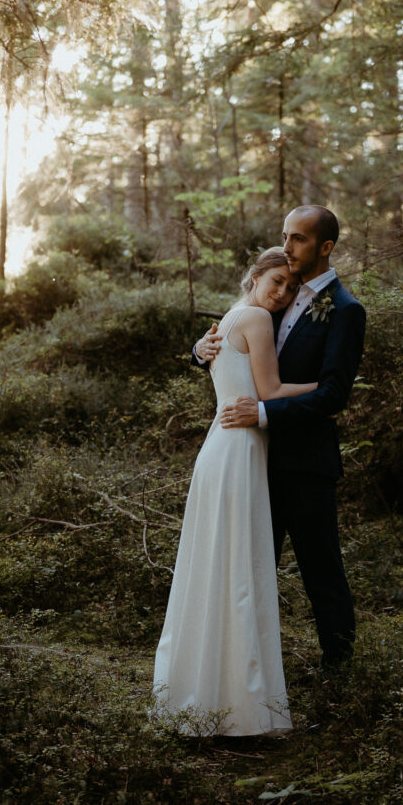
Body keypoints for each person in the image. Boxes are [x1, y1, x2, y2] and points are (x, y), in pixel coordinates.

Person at [152, 248, 317, 736]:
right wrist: (329, 387)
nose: (282, 293)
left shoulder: (230, 316)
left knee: (217, 569)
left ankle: (205, 696)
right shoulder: (257, 320)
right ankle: (240, 708)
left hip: (222, 450)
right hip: (239, 451)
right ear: (256, 275)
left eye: (290, 287)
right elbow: (269, 392)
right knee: (238, 571)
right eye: (276, 281)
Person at [194, 205, 366, 673]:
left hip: (306, 464)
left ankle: (340, 673)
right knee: (249, 567)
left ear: (325, 247)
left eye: (298, 239)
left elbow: (333, 395)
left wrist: (264, 412)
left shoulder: (345, 310)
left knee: (321, 570)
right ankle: (244, 671)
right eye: (285, 236)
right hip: (255, 461)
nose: (287, 247)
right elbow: (239, 345)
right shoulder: (279, 294)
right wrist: (200, 350)